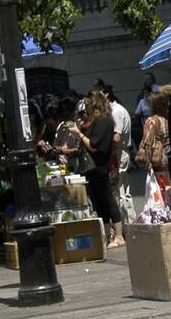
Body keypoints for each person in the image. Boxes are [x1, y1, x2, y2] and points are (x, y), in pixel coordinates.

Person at [68, 90, 125, 248]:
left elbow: (94, 145)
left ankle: (119, 235)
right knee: (100, 202)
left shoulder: (104, 121)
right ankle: (107, 235)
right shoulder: (96, 121)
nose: (86, 109)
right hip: (93, 169)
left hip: (100, 166)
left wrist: (79, 134)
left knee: (107, 199)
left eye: (88, 105)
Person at [105, 86, 136, 225]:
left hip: (119, 152)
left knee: (120, 190)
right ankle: (128, 222)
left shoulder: (116, 112)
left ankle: (126, 224)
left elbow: (116, 137)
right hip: (121, 152)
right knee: (122, 189)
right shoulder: (118, 110)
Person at [136, 85, 171, 186]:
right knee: (168, 184)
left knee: (159, 186)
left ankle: (165, 201)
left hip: (157, 157)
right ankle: (169, 200)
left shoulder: (151, 120)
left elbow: (147, 142)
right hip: (167, 156)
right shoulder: (167, 119)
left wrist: (147, 161)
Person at [52, 97, 81, 172]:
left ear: (73, 112)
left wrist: (64, 151)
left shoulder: (79, 126)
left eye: (66, 115)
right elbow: (56, 144)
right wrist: (54, 149)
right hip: (62, 165)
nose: (64, 119)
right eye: (62, 116)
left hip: (75, 166)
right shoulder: (60, 126)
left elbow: (79, 150)